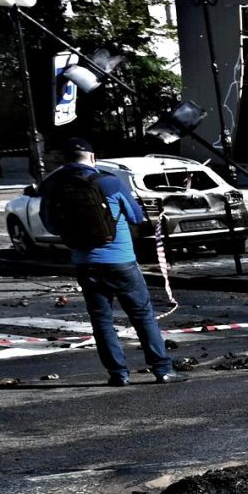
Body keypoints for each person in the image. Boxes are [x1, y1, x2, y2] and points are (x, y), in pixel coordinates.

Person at [37, 142, 175, 386]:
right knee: (142, 315)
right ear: (91, 156)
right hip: (121, 260)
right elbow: (136, 216)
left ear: (64, 159)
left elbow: (49, 225)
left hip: (85, 263)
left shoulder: (52, 185)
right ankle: (162, 369)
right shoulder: (109, 182)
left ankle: (118, 374)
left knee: (101, 320)